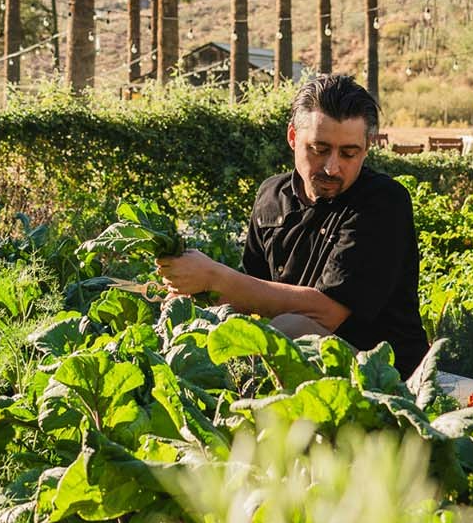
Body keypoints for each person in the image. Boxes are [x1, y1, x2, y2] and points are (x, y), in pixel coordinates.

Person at [156, 73, 430, 379]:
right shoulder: (271, 196)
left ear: (366, 148)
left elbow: (326, 313)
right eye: (319, 149)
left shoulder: (383, 201)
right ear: (292, 137)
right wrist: (197, 293)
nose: (332, 167)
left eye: (349, 153)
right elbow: (253, 295)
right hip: (298, 364)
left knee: (292, 328)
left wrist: (214, 276)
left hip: (385, 375)